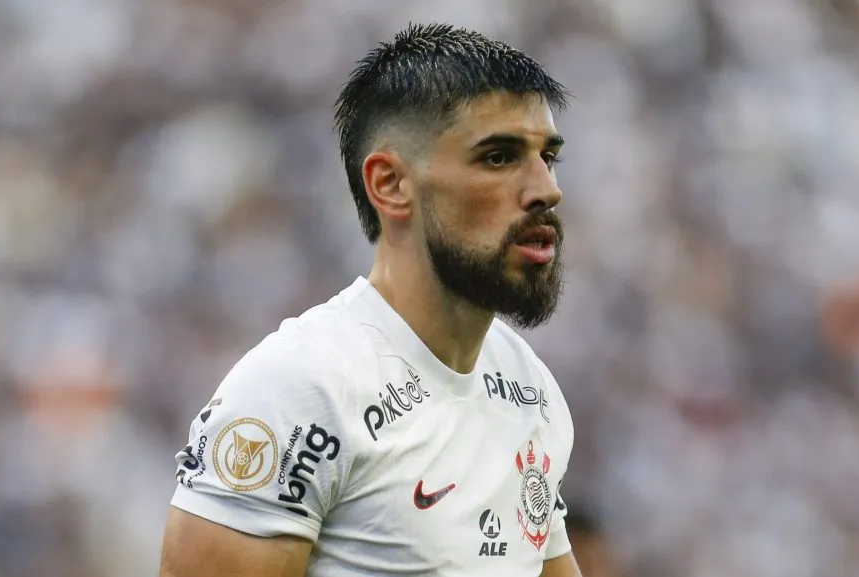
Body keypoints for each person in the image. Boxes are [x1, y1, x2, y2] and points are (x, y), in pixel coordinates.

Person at [159, 22, 582, 577]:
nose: (545, 189)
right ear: (389, 184)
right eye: (499, 157)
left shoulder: (530, 390)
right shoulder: (300, 389)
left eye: (547, 157)